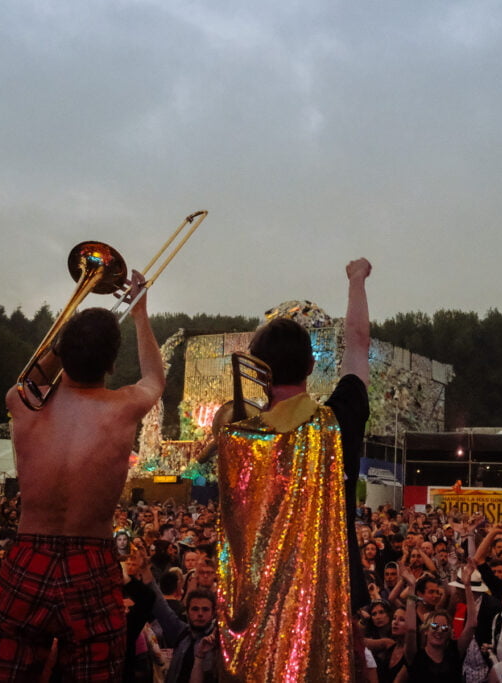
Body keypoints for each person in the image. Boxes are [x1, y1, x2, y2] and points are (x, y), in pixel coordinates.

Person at [0, 286, 165, 682]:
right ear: (112, 365)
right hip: (91, 558)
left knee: (4, 674)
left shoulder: (21, 403)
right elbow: (154, 376)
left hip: (29, 551)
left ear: (61, 353)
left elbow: (29, 378)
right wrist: (139, 313)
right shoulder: (124, 407)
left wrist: (63, 342)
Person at [214, 258, 372, 680]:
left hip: (256, 605)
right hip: (328, 596)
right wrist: (356, 281)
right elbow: (358, 345)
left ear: (257, 370)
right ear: (311, 366)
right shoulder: (339, 420)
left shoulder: (235, 435)